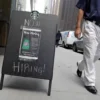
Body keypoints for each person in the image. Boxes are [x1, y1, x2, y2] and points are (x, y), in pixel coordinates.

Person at [75, 0, 100, 94]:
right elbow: (81, 9)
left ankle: (80, 65)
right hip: (90, 25)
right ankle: (89, 82)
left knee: (96, 55)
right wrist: (78, 27)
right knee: (90, 53)